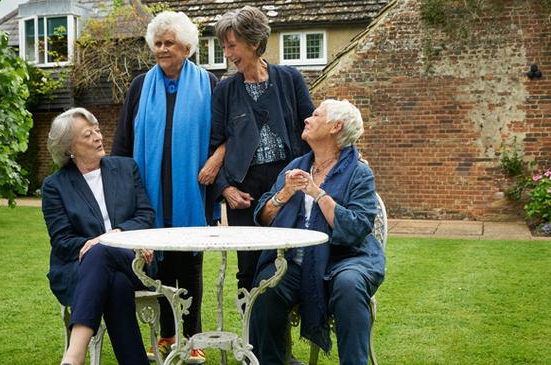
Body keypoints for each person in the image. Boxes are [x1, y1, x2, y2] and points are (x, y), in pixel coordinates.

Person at [111, 11, 223, 364]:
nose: (161, 49)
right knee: (154, 266)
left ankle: (192, 337)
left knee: (188, 265)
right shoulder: (140, 86)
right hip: (149, 195)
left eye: (168, 43)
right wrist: (122, 190)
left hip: (193, 193)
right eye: (157, 43)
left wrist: (216, 160)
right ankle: (165, 336)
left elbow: (224, 137)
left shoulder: (210, 84)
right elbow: (123, 143)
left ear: (187, 48)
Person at [249, 99, 386, 365]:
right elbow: (263, 217)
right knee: (266, 286)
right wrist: (285, 193)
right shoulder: (296, 166)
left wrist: (318, 193)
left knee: (349, 285)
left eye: (315, 115)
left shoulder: (359, 173)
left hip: (345, 258)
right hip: (295, 261)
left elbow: (358, 226)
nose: (307, 119)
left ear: (336, 126)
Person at [210, 6, 314, 291]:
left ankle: (279, 328)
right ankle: (248, 333)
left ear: (254, 43)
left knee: (291, 260)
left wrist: (343, 155)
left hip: (287, 181)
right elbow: (214, 143)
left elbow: (311, 129)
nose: (228, 54)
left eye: (232, 46)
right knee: (248, 268)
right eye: (224, 47)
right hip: (245, 190)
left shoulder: (289, 79)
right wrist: (225, 189)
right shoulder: (225, 89)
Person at [41, 108, 155, 365]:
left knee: (103, 249)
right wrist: (98, 245)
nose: (97, 137)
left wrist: (115, 236)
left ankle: (74, 354)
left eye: (97, 130)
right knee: (115, 284)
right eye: (87, 134)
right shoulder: (55, 186)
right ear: (69, 147)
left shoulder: (126, 168)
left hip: (133, 259)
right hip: (80, 269)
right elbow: (63, 242)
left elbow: (145, 215)